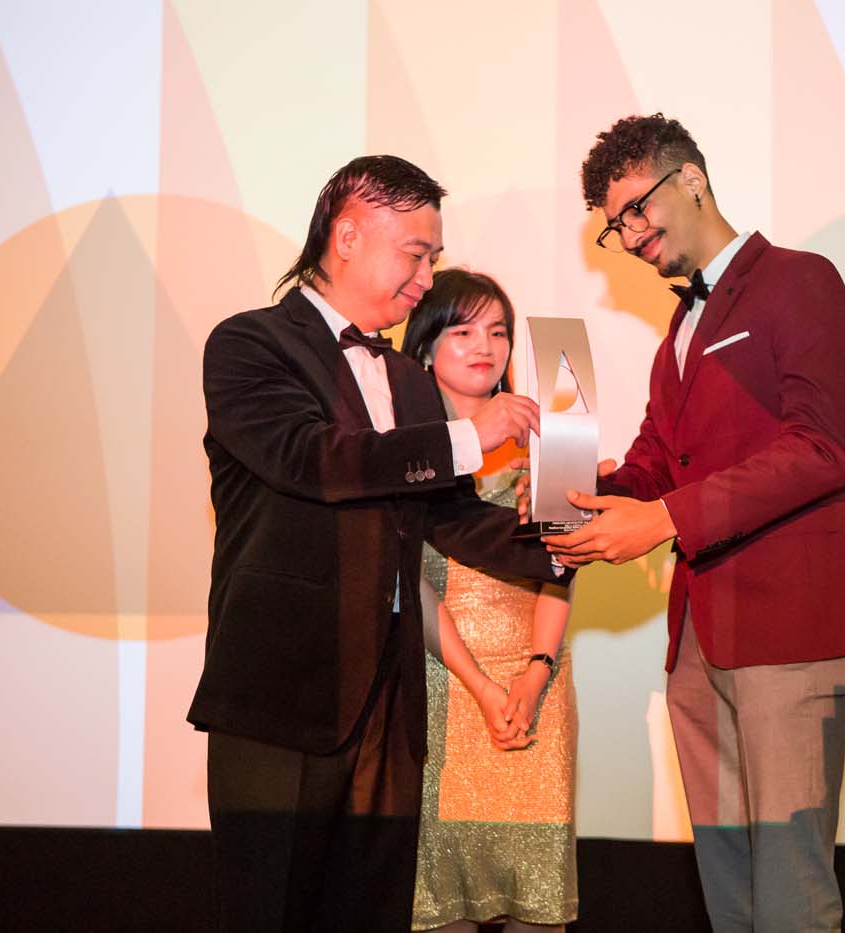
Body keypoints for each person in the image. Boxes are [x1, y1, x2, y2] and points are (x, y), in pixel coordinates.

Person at [187, 155, 568, 933]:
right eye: (416, 254)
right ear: (349, 235)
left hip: (390, 707)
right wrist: (469, 436)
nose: (427, 278)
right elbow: (315, 459)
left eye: (433, 257)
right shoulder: (249, 344)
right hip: (282, 694)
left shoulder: (406, 376)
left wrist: (572, 537)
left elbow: (451, 520)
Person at [543, 114, 845, 931]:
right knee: (731, 894)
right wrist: (572, 490)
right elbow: (659, 459)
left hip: (790, 634)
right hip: (700, 640)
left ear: (691, 178)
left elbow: (820, 448)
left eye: (634, 209)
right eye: (614, 226)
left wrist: (662, 517)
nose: (628, 236)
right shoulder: (679, 330)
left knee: (791, 895)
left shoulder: (799, 279)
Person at [400, 269, 578, 932]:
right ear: (425, 345)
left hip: (537, 684)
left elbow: (563, 568)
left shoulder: (551, 431)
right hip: (439, 680)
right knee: (437, 900)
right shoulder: (402, 444)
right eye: (464, 330)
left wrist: (535, 673)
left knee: (537, 898)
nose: (485, 345)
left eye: (498, 331)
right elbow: (405, 575)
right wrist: (478, 684)